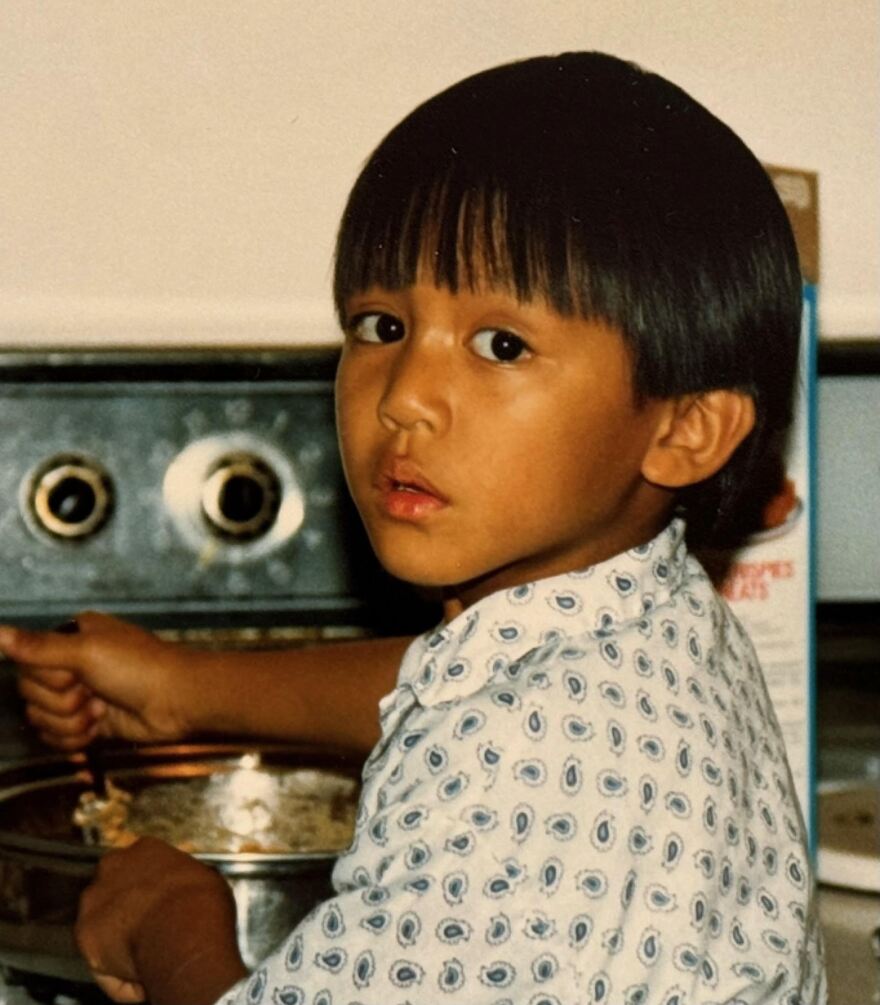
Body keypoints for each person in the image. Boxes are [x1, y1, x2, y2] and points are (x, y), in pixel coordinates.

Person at [0, 51, 826, 1005]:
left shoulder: (526, 793)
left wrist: (169, 927)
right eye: (382, 324)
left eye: (500, 344)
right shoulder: (644, 619)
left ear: (684, 429)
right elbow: (451, 684)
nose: (405, 398)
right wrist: (182, 688)